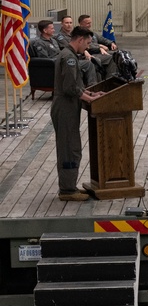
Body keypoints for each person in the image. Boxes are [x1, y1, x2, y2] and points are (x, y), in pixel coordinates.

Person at [52, 27, 102, 201]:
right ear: (80, 39)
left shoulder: (70, 54)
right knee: (69, 149)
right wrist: (88, 99)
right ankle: (67, 190)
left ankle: (70, 186)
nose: (87, 48)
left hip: (68, 106)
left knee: (71, 146)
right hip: (65, 107)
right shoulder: (69, 58)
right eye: (87, 43)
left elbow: (76, 86)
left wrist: (91, 95)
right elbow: (70, 88)